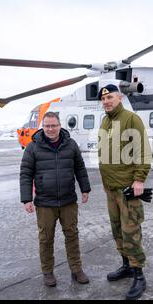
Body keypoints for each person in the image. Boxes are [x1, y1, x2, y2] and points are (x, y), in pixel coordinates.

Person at [20, 111, 91, 287]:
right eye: (47, 126)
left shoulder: (71, 144)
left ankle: (76, 269)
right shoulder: (32, 147)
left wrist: (85, 188)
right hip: (45, 203)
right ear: (42, 127)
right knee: (46, 239)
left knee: (72, 235)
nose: (50, 129)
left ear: (60, 126)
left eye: (53, 125)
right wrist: (26, 199)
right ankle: (48, 272)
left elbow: (80, 168)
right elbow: (26, 174)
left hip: (68, 200)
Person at [97, 84, 152, 300]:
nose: (106, 101)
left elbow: (143, 151)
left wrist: (139, 179)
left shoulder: (131, 119)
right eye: (103, 99)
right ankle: (126, 265)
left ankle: (139, 275)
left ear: (119, 97)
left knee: (131, 231)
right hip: (110, 188)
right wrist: (105, 182)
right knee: (117, 230)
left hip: (127, 188)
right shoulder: (105, 121)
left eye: (110, 97)